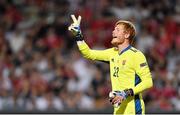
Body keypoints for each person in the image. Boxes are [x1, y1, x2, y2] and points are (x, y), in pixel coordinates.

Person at [68, 15, 153, 114]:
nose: (113, 32)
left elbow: (148, 82)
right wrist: (78, 35)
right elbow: (89, 54)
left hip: (133, 108)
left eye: (117, 30)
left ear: (126, 35)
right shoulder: (112, 53)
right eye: (114, 29)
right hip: (118, 109)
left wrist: (125, 93)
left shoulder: (137, 55)